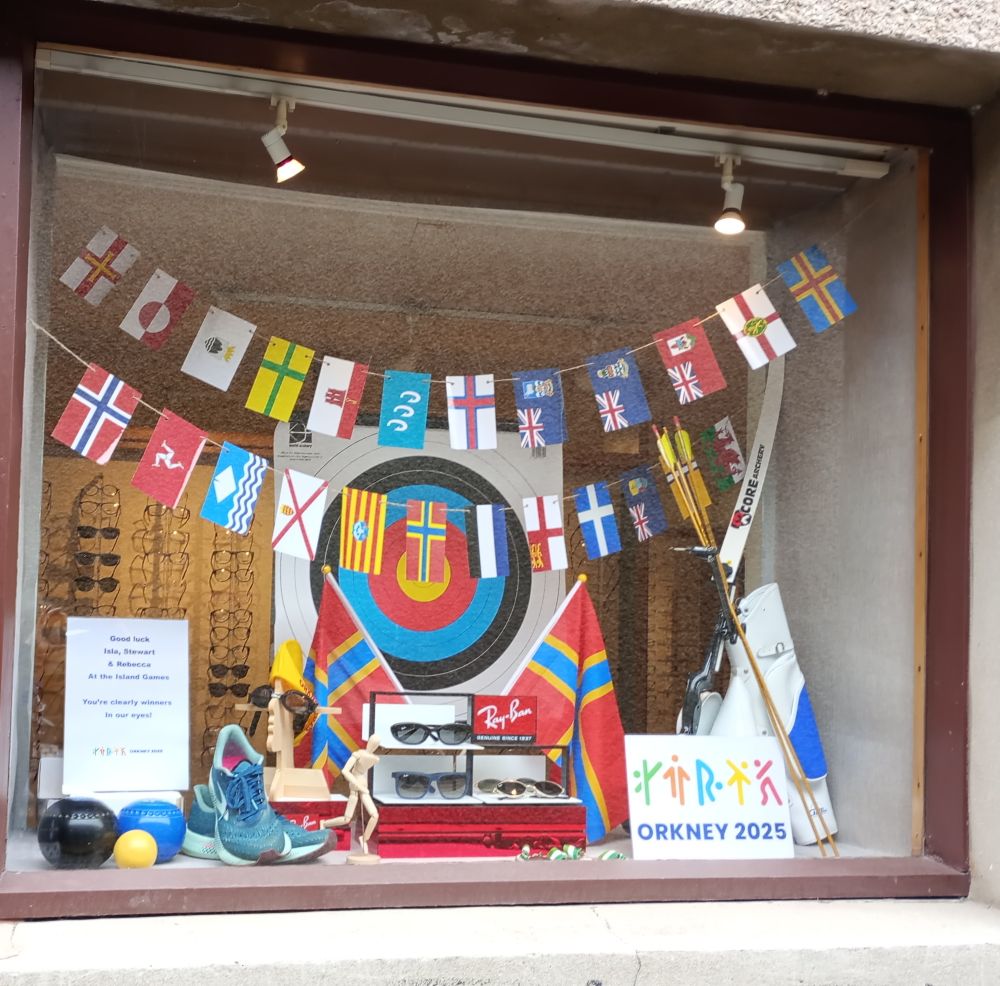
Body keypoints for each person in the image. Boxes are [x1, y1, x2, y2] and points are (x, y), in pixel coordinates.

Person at [320, 734, 381, 851]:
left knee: (374, 815)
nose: (373, 745)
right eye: (372, 742)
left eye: (376, 744)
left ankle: (364, 839)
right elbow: (345, 771)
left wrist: (363, 786)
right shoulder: (357, 754)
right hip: (355, 786)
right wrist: (357, 785)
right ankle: (325, 823)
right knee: (347, 818)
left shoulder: (375, 759)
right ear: (368, 742)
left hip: (363, 786)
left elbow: (366, 773)